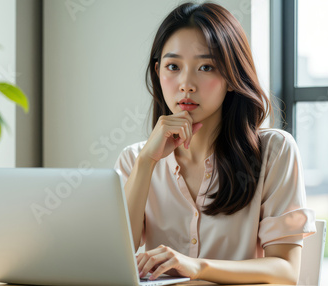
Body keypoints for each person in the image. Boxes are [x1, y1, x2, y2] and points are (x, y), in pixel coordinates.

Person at [113, 2, 316, 285]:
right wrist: (146, 162)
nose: (186, 84)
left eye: (206, 67)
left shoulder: (274, 152)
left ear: (231, 77)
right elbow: (116, 256)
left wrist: (196, 267)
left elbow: (285, 271)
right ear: (159, 72)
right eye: (173, 66)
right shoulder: (135, 158)